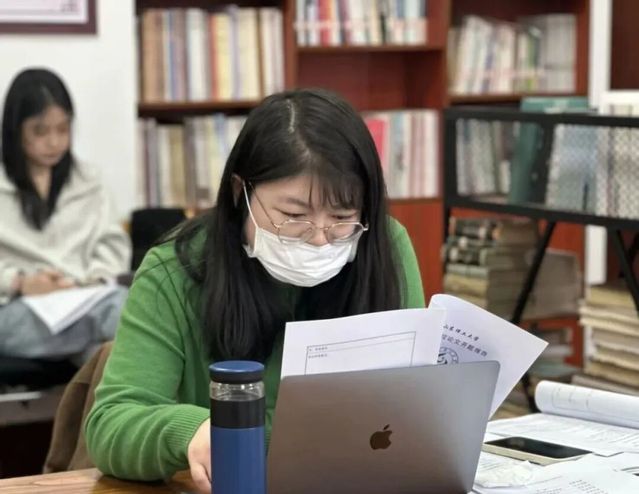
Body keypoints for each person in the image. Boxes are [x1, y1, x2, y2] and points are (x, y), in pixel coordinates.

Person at [85, 88, 425, 493]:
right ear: (239, 193)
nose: (320, 238)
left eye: (341, 216)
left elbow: (414, 397)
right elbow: (111, 424)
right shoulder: (175, 271)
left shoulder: (384, 246)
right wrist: (193, 432)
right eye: (293, 215)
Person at [0, 68, 131, 364]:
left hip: (84, 301)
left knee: (104, 354)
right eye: (40, 131)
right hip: (16, 310)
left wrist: (89, 283)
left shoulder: (89, 182)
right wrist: (20, 282)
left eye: (63, 129)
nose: (54, 142)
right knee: (118, 314)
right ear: (15, 130)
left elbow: (112, 245)